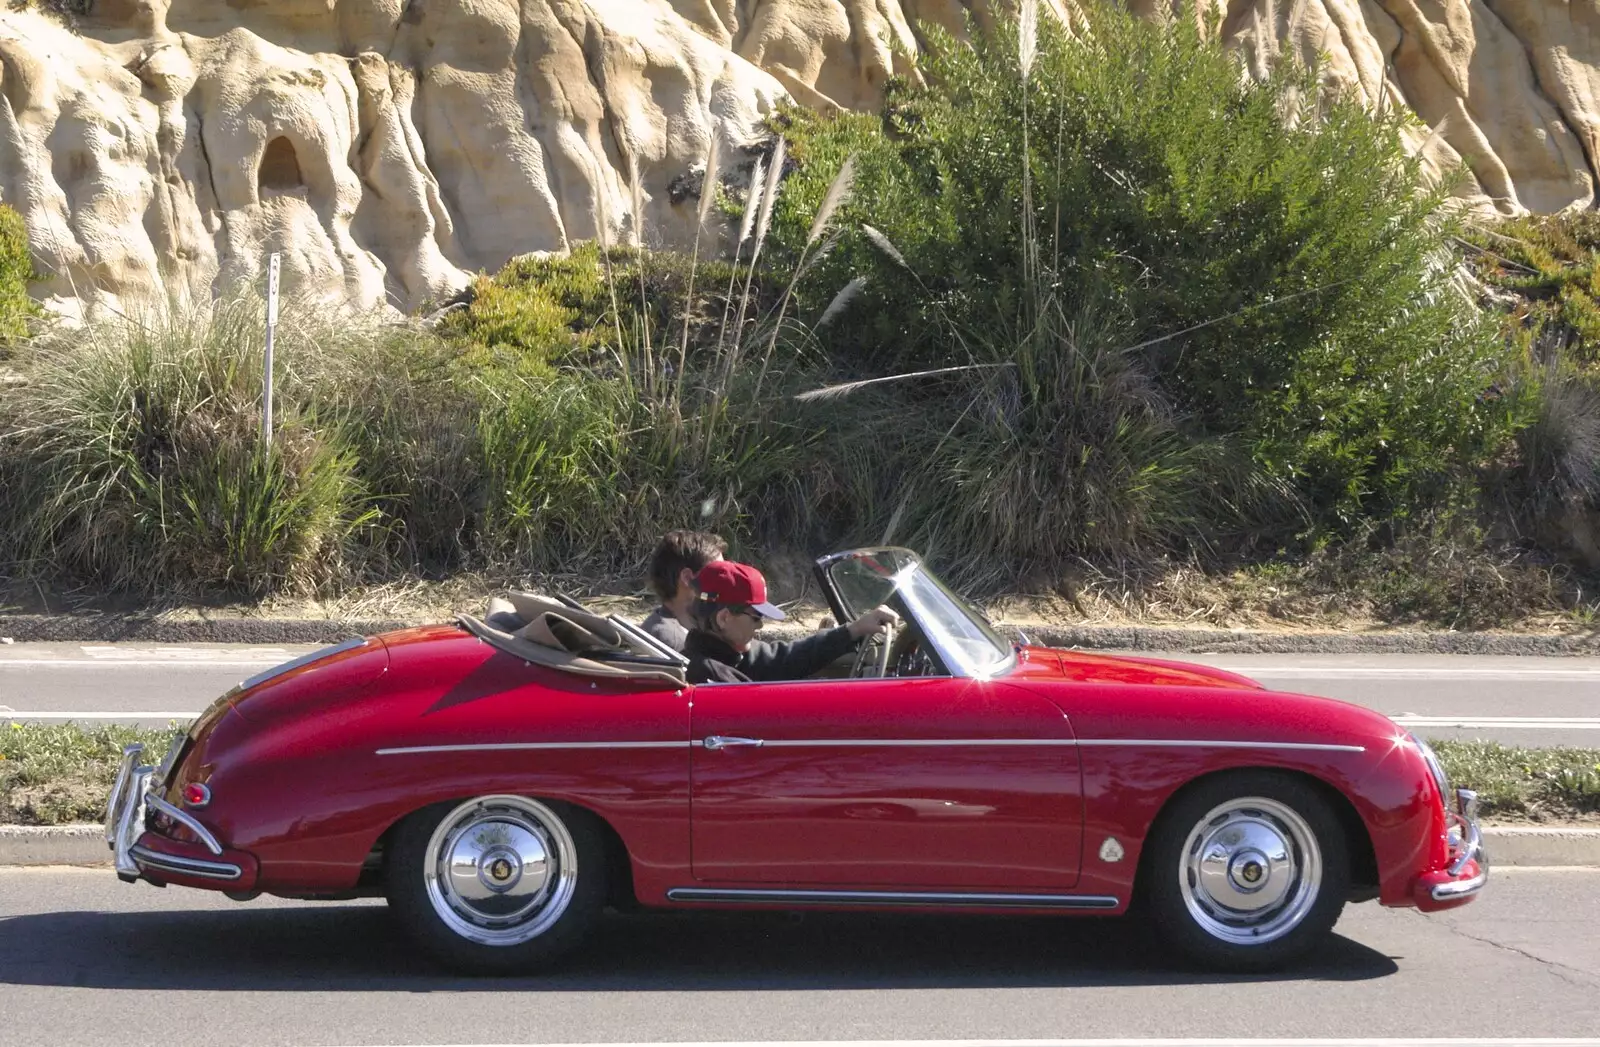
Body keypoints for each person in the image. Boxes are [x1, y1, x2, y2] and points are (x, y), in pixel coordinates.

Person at [683, 560, 898, 684]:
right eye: (756, 617)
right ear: (724, 618)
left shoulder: (730, 655)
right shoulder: (711, 677)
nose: (760, 626)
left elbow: (788, 657)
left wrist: (854, 630)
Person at [640, 530, 727, 651]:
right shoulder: (672, 642)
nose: (725, 582)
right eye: (717, 574)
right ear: (687, 578)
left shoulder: (674, 629)